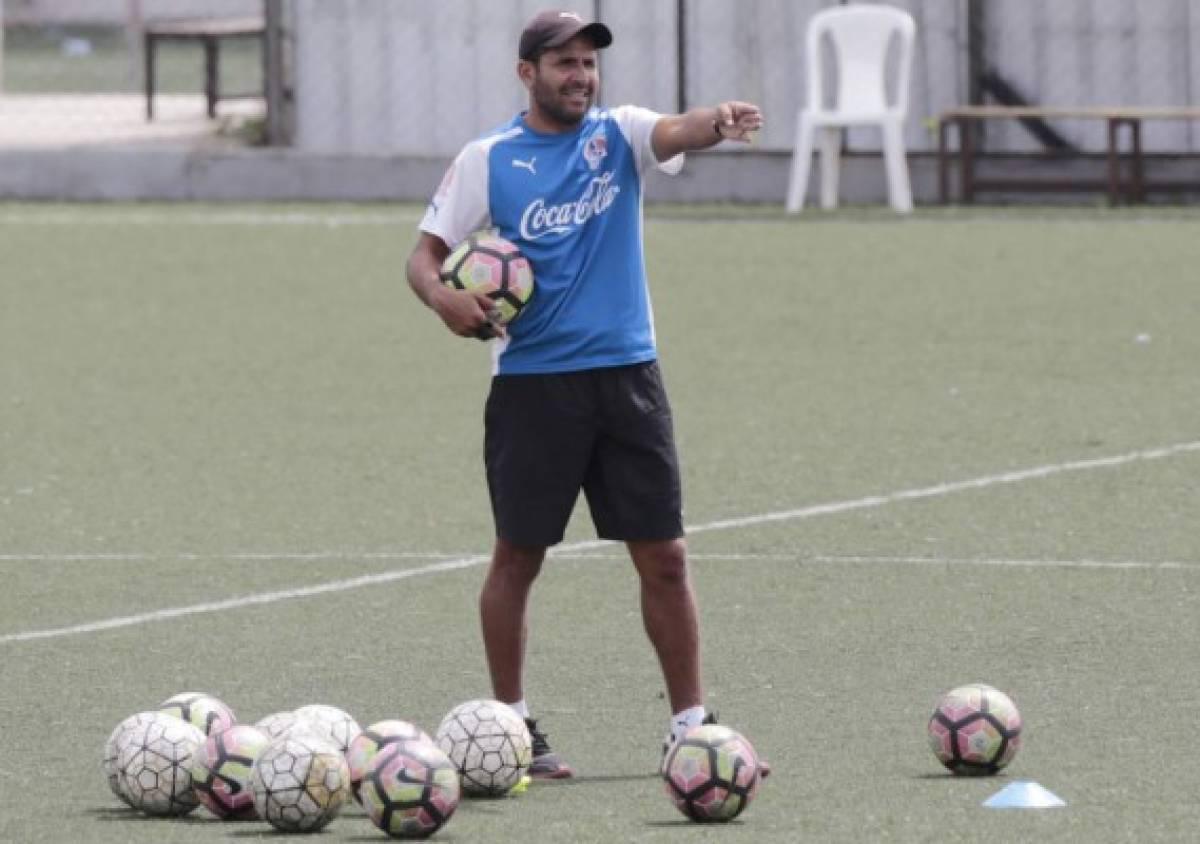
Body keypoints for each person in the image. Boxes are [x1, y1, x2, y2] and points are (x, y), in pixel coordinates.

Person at [405, 8, 764, 779]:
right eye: (562, 63)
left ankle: (691, 725)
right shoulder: (488, 158)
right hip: (533, 389)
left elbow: (679, 130)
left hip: (629, 378)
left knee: (664, 556)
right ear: (526, 73)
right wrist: (444, 300)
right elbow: (423, 257)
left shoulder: (618, 135)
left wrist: (717, 121)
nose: (580, 76)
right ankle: (511, 728)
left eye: (588, 63)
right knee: (518, 558)